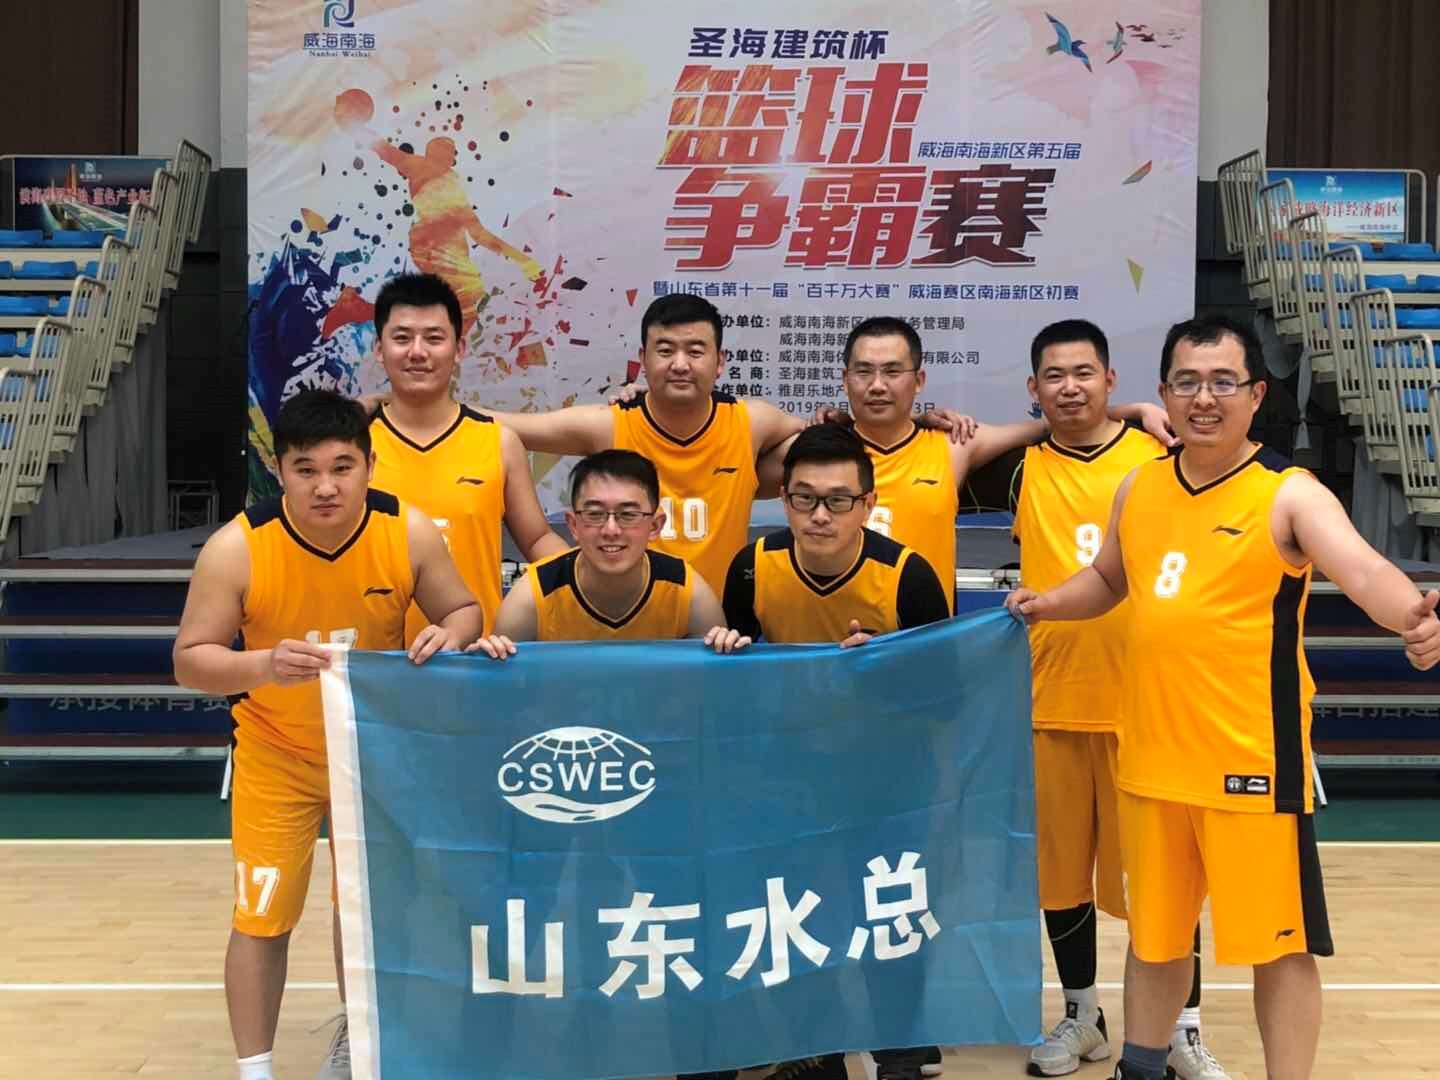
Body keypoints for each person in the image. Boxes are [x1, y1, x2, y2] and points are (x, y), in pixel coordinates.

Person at [1006, 315, 1440, 1080]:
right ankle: (1141, 1067)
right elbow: (1108, 579)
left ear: (1255, 394)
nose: (1203, 399)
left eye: (1222, 382)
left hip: (1251, 767)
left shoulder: (1288, 493)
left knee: (1281, 947)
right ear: (1164, 392)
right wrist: (1049, 603)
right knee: (1156, 940)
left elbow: (1364, 569)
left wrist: (1412, 615)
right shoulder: (1140, 485)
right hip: (1151, 763)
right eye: (1187, 382)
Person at [172, 390, 483, 1080]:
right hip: (275, 752)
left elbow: (464, 608)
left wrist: (451, 633)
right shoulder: (236, 548)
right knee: (262, 914)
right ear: (279, 470)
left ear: (370, 466)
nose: (325, 486)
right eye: (306, 469)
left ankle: (358, 1045)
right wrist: (262, 665)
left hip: (370, 749)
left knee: (363, 912)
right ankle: (255, 1069)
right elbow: (190, 660)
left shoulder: (406, 531)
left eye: (342, 467)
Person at [1010, 320, 1227, 1079]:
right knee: (1061, 880)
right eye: (1053, 376)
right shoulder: (1017, 469)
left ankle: (1181, 1032)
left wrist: (1139, 414)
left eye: (1084, 373)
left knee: (1166, 884)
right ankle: (1083, 1016)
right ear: (1033, 389)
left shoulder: (1161, 461)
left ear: (1110, 379)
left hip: (1149, 711)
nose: (1070, 388)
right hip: (1052, 706)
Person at [719, 423, 951, 1080]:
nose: (820, 515)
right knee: (798, 920)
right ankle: (813, 1055)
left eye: (838, 500)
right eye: (805, 498)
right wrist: (727, 655)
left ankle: (899, 1058)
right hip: (789, 783)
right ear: (784, 500)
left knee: (889, 923)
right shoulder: (751, 567)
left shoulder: (908, 577)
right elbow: (735, 686)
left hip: (887, 785)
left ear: (867, 503)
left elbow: (947, 697)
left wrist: (886, 672)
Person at [789, 316, 1173, 610]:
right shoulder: (809, 451)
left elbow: (1054, 423)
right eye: (864, 372)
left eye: (892, 371)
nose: (877, 385)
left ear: (918, 380)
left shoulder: (954, 445)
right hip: (824, 630)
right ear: (845, 379)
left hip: (923, 646)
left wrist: (1136, 410)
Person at [365, 272, 567, 637]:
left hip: (475, 655)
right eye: (402, 338)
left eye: (434, 338)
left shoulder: (498, 442)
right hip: (375, 659)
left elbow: (537, 539)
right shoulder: (351, 448)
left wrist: (585, 580)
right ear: (379, 349)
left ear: (459, 349)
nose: (417, 352)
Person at [468, 449, 748, 653]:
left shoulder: (687, 591)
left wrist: (726, 648)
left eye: (628, 515)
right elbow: (506, 697)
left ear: (655, 526)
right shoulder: (532, 596)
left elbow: (710, 691)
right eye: (594, 514)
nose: (611, 529)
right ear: (573, 525)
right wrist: (489, 661)